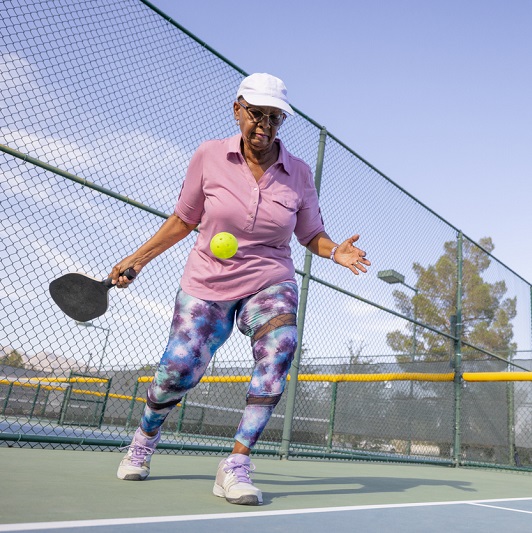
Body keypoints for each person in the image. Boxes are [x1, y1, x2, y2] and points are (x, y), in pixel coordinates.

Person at [111, 72, 371, 506]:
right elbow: (183, 220)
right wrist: (136, 259)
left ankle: (236, 464)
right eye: (257, 114)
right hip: (206, 279)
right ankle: (144, 437)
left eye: (275, 118)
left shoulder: (300, 173)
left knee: (280, 348)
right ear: (238, 110)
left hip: (270, 278)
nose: (264, 126)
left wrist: (333, 252)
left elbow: (311, 234)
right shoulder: (208, 156)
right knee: (178, 369)